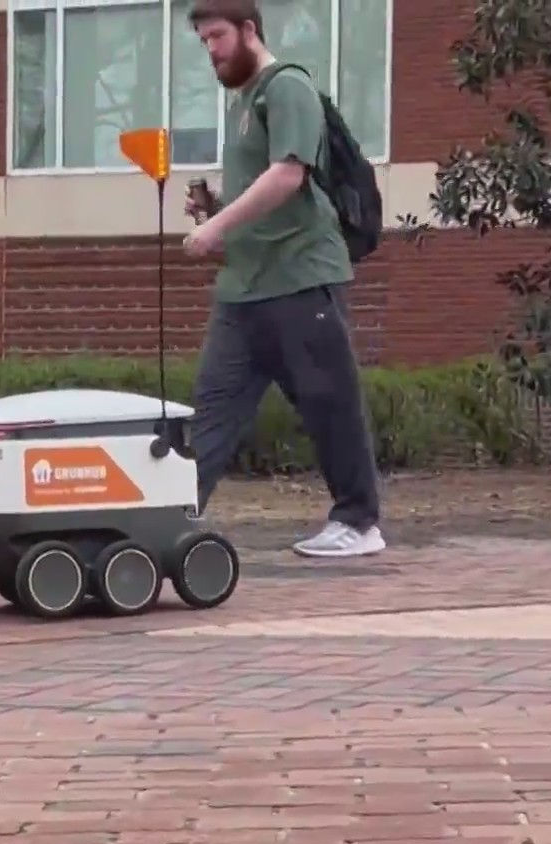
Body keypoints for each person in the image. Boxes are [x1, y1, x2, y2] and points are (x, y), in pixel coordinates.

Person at [178, 0, 386, 558]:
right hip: (245, 288)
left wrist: (214, 226)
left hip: (299, 276)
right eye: (203, 42)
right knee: (213, 407)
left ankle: (359, 523)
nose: (211, 51)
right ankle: (171, 517)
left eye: (217, 37)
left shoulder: (286, 86)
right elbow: (262, 190)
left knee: (328, 401)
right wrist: (219, 211)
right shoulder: (243, 102)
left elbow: (289, 175)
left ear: (249, 30)